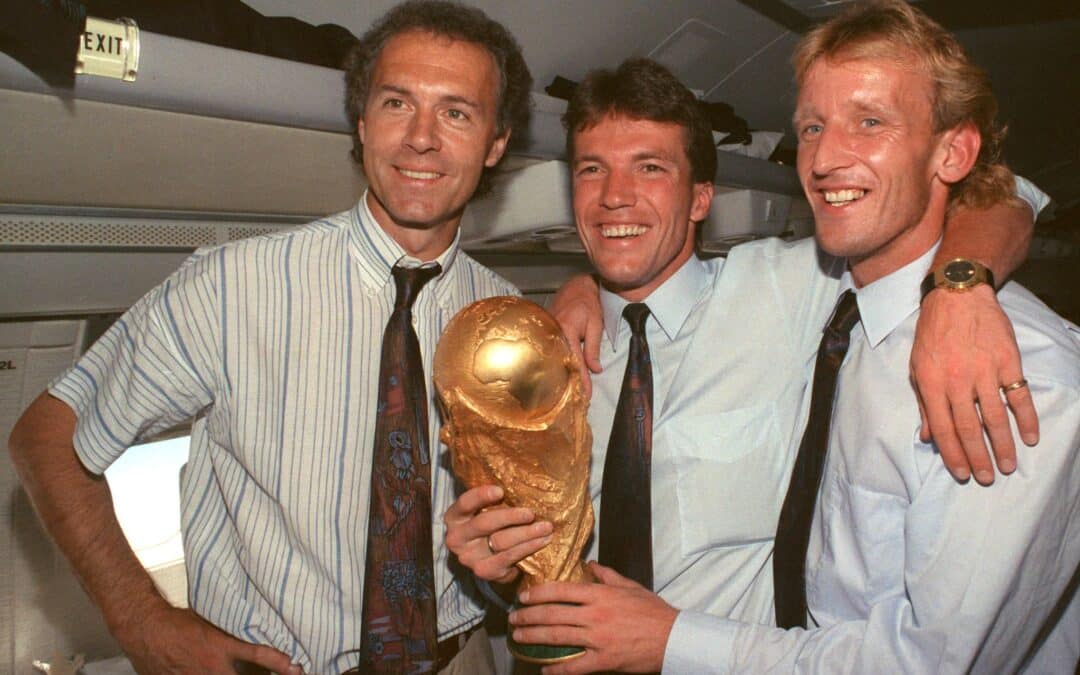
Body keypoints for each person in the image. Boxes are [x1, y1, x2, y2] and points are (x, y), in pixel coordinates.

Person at [502, 3, 1079, 674]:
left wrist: (962, 284)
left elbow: (930, 660)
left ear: (701, 199)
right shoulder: (851, 320)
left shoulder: (1006, 370)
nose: (827, 156)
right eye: (811, 126)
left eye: (870, 121)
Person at [7, 2, 531, 673]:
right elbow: (45, 437)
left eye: (457, 112)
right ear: (363, 121)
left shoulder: (512, 320)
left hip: (462, 658)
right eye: (398, 102)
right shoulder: (232, 286)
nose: (421, 137)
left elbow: (520, 542)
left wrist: (506, 573)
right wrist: (141, 620)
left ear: (496, 142)